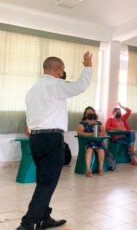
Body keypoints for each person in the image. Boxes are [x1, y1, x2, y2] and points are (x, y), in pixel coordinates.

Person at [18, 52, 93, 230]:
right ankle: (27, 224)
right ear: (57, 69)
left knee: (44, 179)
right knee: (47, 182)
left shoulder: (33, 89)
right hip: (51, 138)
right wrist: (88, 67)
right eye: (63, 69)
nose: (63, 73)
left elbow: (31, 114)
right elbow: (80, 86)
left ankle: (44, 218)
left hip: (36, 138)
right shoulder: (55, 85)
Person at [77, 106, 106, 177]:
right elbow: (80, 132)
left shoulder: (99, 123)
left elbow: (103, 132)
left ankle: (100, 168)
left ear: (94, 113)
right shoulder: (82, 123)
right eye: (88, 113)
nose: (90, 114)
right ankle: (88, 169)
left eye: (91, 112)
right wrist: (91, 134)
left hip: (98, 141)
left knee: (101, 150)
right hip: (87, 141)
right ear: (85, 114)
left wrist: (99, 134)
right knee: (89, 150)